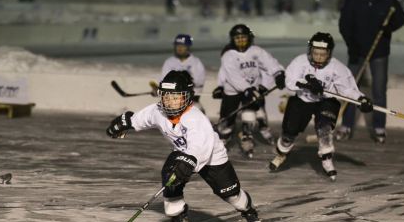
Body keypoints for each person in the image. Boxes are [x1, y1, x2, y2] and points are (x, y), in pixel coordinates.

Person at [106, 70, 262, 222]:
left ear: (187, 98)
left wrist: (188, 162)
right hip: (182, 153)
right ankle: (178, 219)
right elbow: (139, 119)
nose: (170, 102)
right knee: (170, 176)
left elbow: (199, 147)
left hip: (211, 157)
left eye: (176, 97)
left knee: (231, 194)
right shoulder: (158, 111)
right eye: (166, 96)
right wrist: (123, 124)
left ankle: (248, 210)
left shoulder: (195, 118)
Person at [269, 32, 373, 181]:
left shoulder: (338, 68)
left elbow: (347, 89)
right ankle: (282, 153)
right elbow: (290, 81)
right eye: (315, 53)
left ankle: (326, 157)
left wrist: (361, 99)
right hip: (303, 99)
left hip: (326, 101)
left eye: (322, 54)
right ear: (310, 51)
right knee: (289, 131)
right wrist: (307, 84)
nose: (318, 57)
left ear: (329, 53)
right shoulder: (300, 62)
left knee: (325, 127)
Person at [336, 0, 404, 144]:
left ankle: (379, 127)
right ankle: (346, 126)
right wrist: (351, 44)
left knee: (379, 90)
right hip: (356, 52)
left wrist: (388, 28)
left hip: (379, 51)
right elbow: (344, 24)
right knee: (350, 89)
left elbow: (400, 18)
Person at [212, 24, 285, 158]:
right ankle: (224, 137)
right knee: (227, 119)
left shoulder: (256, 51)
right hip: (232, 90)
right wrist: (243, 88)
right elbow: (233, 76)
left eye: (243, 37)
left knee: (250, 113)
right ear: (232, 39)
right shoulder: (228, 55)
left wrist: (278, 73)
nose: (240, 40)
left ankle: (247, 136)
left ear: (249, 38)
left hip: (252, 89)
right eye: (237, 38)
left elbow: (270, 62)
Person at [155, 34, 206, 112]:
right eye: (177, 45)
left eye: (183, 46)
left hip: (191, 100)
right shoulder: (169, 62)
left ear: (188, 47)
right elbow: (163, 81)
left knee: (200, 112)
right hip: (171, 102)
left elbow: (199, 82)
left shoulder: (196, 62)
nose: (179, 48)